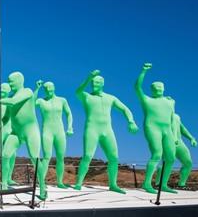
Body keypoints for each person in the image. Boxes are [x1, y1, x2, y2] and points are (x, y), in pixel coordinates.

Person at [0, 72, 47, 200]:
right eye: (9, 81)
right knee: (6, 155)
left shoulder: (27, 91)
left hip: (30, 131)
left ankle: (43, 186)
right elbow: (7, 117)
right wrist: (0, 126)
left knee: (34, 158)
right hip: (16, 132)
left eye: (11, 81)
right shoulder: (11, 96)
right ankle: (4, 184)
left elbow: (12, 102)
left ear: (20, 81)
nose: (10, 84)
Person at [73, 70, 138, 193]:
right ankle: (78, 182)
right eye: (92, 82)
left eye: (97, 82)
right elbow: (78, 91)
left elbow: (125, 109)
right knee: (87, 156)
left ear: (102, 83)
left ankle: (113, 184)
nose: (94, 84)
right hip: (92, 129)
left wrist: (131, 121)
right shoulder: (86, 96)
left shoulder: (110, 98)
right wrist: (89, 77)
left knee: (114, 158)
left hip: (107, 131)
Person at [135, 63, 176, 194]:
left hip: (168, 130)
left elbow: (172, 119)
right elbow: (137, 87)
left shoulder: (171, 101)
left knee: (170, 158)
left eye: (160, 86)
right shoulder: (146, 100)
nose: (158, 88)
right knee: (157, 154)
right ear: (151, 89)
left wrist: (174, 135)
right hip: (152, 127)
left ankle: (163, 184)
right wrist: (143, 72)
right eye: (155, 87)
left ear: (164, 88)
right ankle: (146, 183)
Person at [35, 81, 73, 188]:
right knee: (47, 156)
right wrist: (37, 89)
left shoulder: (62, 100)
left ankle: (60, 182)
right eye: (46, 88)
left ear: (54, 88)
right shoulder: (41, 101)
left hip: (60, 132)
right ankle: (41, 182)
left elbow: (69, 113)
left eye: (50, 87)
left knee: (60, 157)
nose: (48, 90)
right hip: (47, 132)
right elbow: (31, 103)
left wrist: (70, 127)